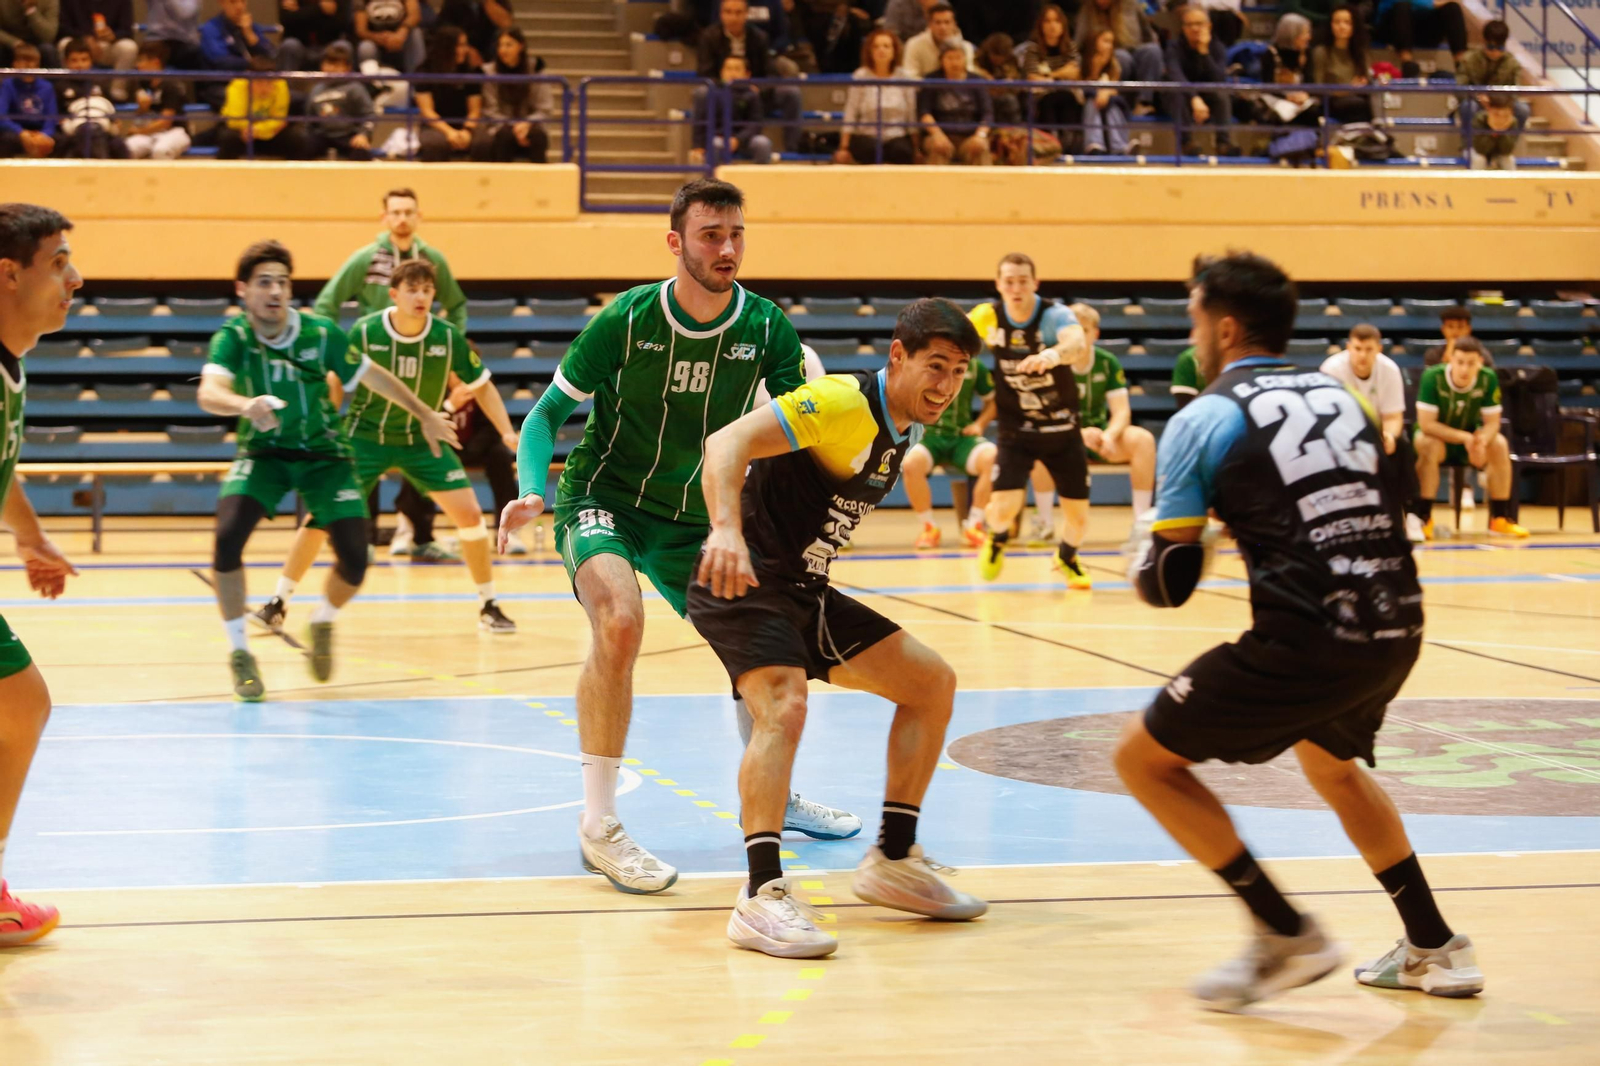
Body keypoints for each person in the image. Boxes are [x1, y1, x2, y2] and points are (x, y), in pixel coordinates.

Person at [1117, 250, 1484, 1012]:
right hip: (1400, 621)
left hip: (1314, 635)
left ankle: (1284, 932)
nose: (1192, 332)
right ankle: (1436, 946)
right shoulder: (1339, 394)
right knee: (1333, 765)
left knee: (1142, 761)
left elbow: (1170, 585)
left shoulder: (1203, 415)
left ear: (1222, 326)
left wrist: (1143, 559)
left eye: (1193, 318)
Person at [498, 179, 861, 894]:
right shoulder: (628, 320)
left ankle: (774, 797)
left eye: (736, 235)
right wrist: (532, 490)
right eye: (709, 235)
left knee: (761, 636)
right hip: (603, 502)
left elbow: (798, 427)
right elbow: (542, 417)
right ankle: (598, 826)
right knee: (621, 621)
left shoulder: (764, 328)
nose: (726, 249)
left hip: (698, 516)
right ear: (676, 242)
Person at [688, 298, 989, 959]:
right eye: (935, 365)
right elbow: (725, 442)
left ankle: (893, 859)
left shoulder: (907, 427)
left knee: (932, 684)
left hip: (804, 590)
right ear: (898, 356)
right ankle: (760, 895)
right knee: (784, 708)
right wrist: (724, 530)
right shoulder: (844, 402)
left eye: (960, 371)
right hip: (744, 581)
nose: (946, 384)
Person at [198, 240, 458, 701]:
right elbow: (209, 392)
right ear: (242, 290)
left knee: (356, 560)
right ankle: (240, 653)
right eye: (264, 282)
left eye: (283, 282)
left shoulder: (320, 334)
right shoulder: (234, 338)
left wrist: (424, 412)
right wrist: (245, 404)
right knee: (226, 538)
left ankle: (321, 620)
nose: (276, 291)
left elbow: (374, 376)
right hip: (264, 453)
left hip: (324, 455)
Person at [253, 260, 518, 636]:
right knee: (319, 517)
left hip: (422, 439)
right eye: (412, 289)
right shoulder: (365, 331)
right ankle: (278, 602)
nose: (421, 296)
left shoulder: (447, 337)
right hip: (365, 437)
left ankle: (489, 605)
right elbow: (333, 378)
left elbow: (483, 385)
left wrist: (507, 432)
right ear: (394, 294)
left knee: (470, 515)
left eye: (427, 290)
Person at [0, 203, 85, 947]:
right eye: (58, 262)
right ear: (9, 273)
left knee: (22, 706)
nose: (74, 279)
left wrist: (32, 541)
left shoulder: (10, 368)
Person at [313, 187, 469, 557]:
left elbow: (457, 305)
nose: (402, 218)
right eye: (395, 212)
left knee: (424, 439)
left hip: (422, 369)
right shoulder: (366, 259)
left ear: (419, 217)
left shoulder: (432, 259)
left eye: (409, 212)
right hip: (374, 369)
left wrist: (450, 348)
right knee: (365, 444)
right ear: (384, 218)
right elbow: (326, 303)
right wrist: (332, 354)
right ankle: (360, 539)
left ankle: (420, 537)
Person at [969, 252, 1093, 588]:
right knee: (1002, 510)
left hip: (1063, 429)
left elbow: (1077, 342)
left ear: (1035, 283)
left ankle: (1066, 557)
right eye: (1009, 281)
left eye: (1023, 281)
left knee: (1078, 519)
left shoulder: (1054, 315)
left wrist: (1051, 355)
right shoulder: (989, 317)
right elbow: (957, 338)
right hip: (1016, 431)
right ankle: (996, 540)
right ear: (998, 285)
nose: (1016, 287)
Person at [1413, 336, 1528, 539]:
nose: (1465, 369)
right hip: (1437, 437)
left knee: (1499, 444)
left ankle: (1499, 519)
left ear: (1480, 363)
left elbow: (1493, 422)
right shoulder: (1432, 377)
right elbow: (1426, 424)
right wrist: (1465, 438)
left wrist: (1482, 440)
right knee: (1427, 444)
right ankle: (1424, 518)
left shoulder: (1488, 378)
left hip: (1469, 438)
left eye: (1471, 363)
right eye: (1460, 362)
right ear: (1450, 360)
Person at [1322, 323, 1425, 543]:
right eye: (1358, 349)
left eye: (1368, 350)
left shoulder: (1389, 370)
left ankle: (1413, 516)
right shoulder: (1331, 369)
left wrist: (1389, 437)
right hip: (1338, 434)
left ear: (1378, 349)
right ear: (1348, 347)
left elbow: (1393, 416)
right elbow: (1325, 420)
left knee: (1403, 446)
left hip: (1375, 431)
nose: (1362, 355)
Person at [901, 337, 995, 548]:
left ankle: (974, 526)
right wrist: (914, 423)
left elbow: (992, 401)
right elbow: (901, 395)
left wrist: (980, 424)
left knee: (993, 458)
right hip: (930, 437)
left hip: (961, 437)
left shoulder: (976, 367)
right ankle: (929, 527)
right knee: (910, 464)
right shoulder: (923, 365)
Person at [1070, 303, 1155, 516]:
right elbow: (1046, 417)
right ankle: (1045, 524)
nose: (1079, 336)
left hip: (1099, 435)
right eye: (1073, 330)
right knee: (1038, 444)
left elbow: (1121, 412)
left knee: (1143, 440)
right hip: (1064, 437)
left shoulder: (1107, 362)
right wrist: (1078, 434)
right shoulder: (1053, 363)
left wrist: (1109, 436)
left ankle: (1141, 521)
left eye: (1085, 330)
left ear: (1095, 334)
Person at [695, 0, 803, 154]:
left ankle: (793, 150)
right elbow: (705, 74)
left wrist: (757, 87)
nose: (733, 17)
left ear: (746, 14)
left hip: (754, 94)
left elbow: (771, 74)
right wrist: (732, 86)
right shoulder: (708, 37)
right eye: (728, 12)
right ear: (721, 14)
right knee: (701, 93)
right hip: (722, 93)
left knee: (791, 93)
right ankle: (700, 145)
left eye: (738, 12)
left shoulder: (759, 38)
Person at [834, 27, 919, 165]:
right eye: (876, 47)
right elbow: (851, 112)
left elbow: (911, 114)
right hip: (867, 135)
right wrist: (843, 147)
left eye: (886, 46)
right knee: (871, 150)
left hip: (896, 135)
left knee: (902, 151)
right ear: (870, 51)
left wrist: (917, 148)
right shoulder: (860, 76)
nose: (881, 50)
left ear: (894, 51)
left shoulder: (904, 76)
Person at [473, 26, 550, 163]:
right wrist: (514, 126)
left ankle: (540, 182)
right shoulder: (490, 72)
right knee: (504, 136)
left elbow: (544, 108)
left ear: (521, 46)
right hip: (500, 126)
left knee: (539, 137)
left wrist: (526, 123)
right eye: (500, 45)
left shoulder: (535, 69)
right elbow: (490, 111)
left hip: (529, 124)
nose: (503, 50)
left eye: (509, 45)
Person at [1166, 4, 1234, 156]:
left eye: (1199, 24)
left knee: (1222, 94)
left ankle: (1223, 143)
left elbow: (1219, 79)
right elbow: (1176, 76)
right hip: (1184, 96)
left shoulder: (1217, 47)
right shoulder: (1174, 47)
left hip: (1206, 96)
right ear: (1183, 28)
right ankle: (1186, 143)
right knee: (1176, 93)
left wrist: (1204, 53)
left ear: (1208, 26)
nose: (1195, 29)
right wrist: (1194, 97)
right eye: (1190, 24)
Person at [216, 54, 314, 160]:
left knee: (297, 139)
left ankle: (294, 174)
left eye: (268, 81)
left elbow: (279, 120)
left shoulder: (280, 85)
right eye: (259, 81)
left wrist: (257, 130)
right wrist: (251, 129)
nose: (264, 87)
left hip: (267, 134)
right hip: (243, 134)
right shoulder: (237, 86)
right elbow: (234, 120)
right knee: (228, 137)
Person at [1074, 0, 1163, 115]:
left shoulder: (1132, 5)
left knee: (1153, 50)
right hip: (1107, 56)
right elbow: (1078, 43)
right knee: (1122, 57)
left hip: (1135, 50)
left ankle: (1143, 102)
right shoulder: (1087, 11)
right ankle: (1120, 104)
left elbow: (1147, 34)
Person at [918, 41, 993, 166]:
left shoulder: (977, 81)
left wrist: (980, 135)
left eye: (958, 57)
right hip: (940, 134)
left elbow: (987, 113)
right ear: (942, 60)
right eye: (950, 58)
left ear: (965, 59)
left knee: (981, 148)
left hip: (970, 135)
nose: (954, 62)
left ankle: (985, 184)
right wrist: (937, 135)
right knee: (938, 148)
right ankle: (934, 185)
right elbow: (924, 113)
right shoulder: (931, 80)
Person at [415, 24, 482, 161]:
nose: (465, 50)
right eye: (460, 46)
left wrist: (467, 131)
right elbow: (427, 112)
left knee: (483, 142)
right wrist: (449, 132)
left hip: (465, 124)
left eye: (465, 45)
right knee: (435, 144)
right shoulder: (424, 71)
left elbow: (474, 110)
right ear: (446, 47)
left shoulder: (471, 72)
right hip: (435, 126)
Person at [691, 53, 773, 164]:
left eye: (737, 69)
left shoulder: (752, 94)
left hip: (744, 140)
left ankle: (760, 180)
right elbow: (701, 122)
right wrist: (698, 145)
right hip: (719, 137)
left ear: (747, 74)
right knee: (715, 143)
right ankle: (715, 180)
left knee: (763, 143)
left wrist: (738, 140)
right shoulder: (711, 93)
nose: (732, 73)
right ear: (721, 72)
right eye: (728, 68)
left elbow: (756, 123)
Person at [53, 37, 127, 159]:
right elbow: (56, 116)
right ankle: (100, 169)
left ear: (91, 61)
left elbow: (110, 109)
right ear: (66, 62)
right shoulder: (60, 86)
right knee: (86, 133)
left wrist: (115, 121)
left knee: (118, 144)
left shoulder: (101, 82)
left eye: (84, 60)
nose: (80, 65)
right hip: (73, 130)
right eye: (74, 60)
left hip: (101, 127)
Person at [1019, 4, 1082, 147]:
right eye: (1047, 21)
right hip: (1041, 97)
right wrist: (1061, 74)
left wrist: (1048, 75)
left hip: (1067, 94)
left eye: (1056, 21)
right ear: (1040, 25)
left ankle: (1069, 143)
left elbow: (1075, 73)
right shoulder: (1033, 49)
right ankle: (1052, 142)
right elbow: (1033, 78)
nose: (1052, 25)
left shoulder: (1070, 47)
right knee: (1050, 99)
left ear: (1063, 25)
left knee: (1068, 98)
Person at [306, 40, 375, 160]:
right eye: (329, 64)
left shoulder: (355, 88)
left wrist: (363, 135)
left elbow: (369, 115)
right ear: (322, 66)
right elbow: (309, 120)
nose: (332, 69)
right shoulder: (315, 90)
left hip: (349, 135)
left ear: (347, 68)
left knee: (361, 153)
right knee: (302, 145)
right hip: (323, 136)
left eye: (337, 65)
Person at [124, 41, 193, 160]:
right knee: (127, 148)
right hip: (151, 132)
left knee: (161, 150)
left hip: (174, 132)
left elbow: (166, 122)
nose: (138, 65)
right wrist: (142, 108)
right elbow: (141, 116)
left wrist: (138, 131)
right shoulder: (144, 85)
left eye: (141, 60)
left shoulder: (171, 85)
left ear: (155, 62)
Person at [56, 0, 137, 91]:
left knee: (128, 47)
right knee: (64, 44)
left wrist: (113, 36)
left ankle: (117, 92)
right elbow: (63, 28)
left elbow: (127, 31)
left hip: (108, 45)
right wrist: (85, 38)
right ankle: (68, 89)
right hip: (79, 44)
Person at [1457, 20, 1526, 127]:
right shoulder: (1469, 59)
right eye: (1491, 47)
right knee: (1468, 107)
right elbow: (1460, 86)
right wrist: (1478, 97)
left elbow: (1515, 91)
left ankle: (1508, 143)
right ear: (1484, 42)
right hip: (1477, 102)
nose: (1495, 52)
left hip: (1502, 104)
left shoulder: (1513, 64)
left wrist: (1501, 103)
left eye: (1500, 48)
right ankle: (1469, 143)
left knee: (1522, 110)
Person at [1312, 5, 1372, 124]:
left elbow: (1367, 78)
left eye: (1347, 23)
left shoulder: (1361, 52)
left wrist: (1364, 83)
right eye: (1337, 22)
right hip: (1332, 100)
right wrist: (1347, 90)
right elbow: (1317, 87)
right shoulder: (1321, 52)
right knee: (1358, 105)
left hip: (1358, 97)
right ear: (1331, 25)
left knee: (1374, 101)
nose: (1342, 26)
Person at [1377, 0, 1466, 78]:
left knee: (1453, 7)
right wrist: (1431, 3)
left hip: (1422, 29)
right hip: (1392, 28)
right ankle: (1407, 64)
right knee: (1402, 6)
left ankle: (1461, 65)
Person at [0, 43, 57, 159]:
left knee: (61, 140)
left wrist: (43, 135)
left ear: (38, 65)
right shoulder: (8, 84)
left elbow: (52, 118)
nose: (28, 65)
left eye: (32, 61)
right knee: (6, 138)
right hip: (16, 130)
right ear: (14, 64)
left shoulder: (47, 87)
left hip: (39, 130)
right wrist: (21, 132)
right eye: (23, 61)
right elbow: (2, 116)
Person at [1081, 27, 1130, 153]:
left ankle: (1120, 146)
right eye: (1105, 41)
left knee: (1113, 106)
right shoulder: (1082, 62)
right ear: (1095, 42)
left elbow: (1115, 89)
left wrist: (1106, 92)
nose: (1109, 46)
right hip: (1084, 101)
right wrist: (1096, 68)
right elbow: (1082, 87)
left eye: (1111, 42)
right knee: (1093, 103)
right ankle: (1093, 144)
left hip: (1106, 101)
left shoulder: (1115, 65)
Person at [277, 0, 353, 71]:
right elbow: (286, 19)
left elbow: (343, 24)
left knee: (343, 46)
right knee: (289, 45)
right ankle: (286, 84)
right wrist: (319, 9)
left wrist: (300, 12)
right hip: (301, 44)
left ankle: (342, 85)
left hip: (328, 45)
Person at [903, 2, 973, 77]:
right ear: (929, 24)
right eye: (938, 22)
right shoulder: (914, 44)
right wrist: (928, 87)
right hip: (926, 87)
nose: (943, 27)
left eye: (947, 22)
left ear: (954, 24)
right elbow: (910, 77)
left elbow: (968, 76)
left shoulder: (966, 47)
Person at [355, 0, 423, 72]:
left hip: (401, 37)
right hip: (375, 39)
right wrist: (380, 38)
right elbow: (361, 30)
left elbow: (415, 15)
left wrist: (401, 33)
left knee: (416, 34)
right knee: (366, 47)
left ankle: (417, 79)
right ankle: (371, 81)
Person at [1422, 305, 1486, 367]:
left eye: (1460, 327)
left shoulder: (1481, 353)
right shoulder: (1432, 355)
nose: (1455, 331)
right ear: (1443, 329)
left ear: (1469, 329)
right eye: (1450, 326)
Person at [0, 0, 58, 68]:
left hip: (37, 42)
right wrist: (15, 43)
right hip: (10, 41)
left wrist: (31, 10)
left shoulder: (50, 1)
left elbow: (49, 36)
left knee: (48, 50)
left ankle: (54, 78)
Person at [1470, 94, 1519, 171]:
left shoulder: (1513, 122)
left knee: (1509, 160)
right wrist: (1493, 132)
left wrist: (1502, 131)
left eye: (1505, 115)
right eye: (1496, 114)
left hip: (1501, 152)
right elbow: (1480, 149)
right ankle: (1475, 183)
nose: (1501, 119)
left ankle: (1512, 183)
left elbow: (1507, 150)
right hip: (1481, 151)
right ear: (1489, 110)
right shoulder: (1479, 119)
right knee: (1479, 159)